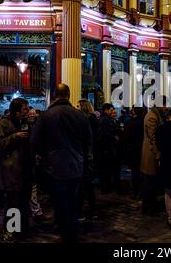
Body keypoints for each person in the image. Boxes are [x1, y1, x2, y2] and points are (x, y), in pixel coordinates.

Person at [31, 84, 93, 243]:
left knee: (59, 202)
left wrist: (43, 155)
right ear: (69, 95)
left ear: (54, 95)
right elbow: (88, 142)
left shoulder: (46, 116)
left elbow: (35, 142)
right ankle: (71, 230)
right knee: (73, 201)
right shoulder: (80, 116)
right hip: (76, 166)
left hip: (54, 167)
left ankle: (65, 231)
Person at [0, 98, 33, 242]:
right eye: (25, 109)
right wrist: (14, 137)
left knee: (23, 203)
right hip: (12, 171)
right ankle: (11, 231)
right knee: (12, 204)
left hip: (26, 171)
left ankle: (22, 232)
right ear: (16, 111)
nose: (28, 110)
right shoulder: (3, 123)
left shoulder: (26, 123)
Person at [140, 95, 167, 215]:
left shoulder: (155, 114)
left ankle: (150, 206)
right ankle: (149, 207)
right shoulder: (152, 116)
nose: (166, 108)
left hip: (152, 152)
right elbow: (153, 138)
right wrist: (158, 154)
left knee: (151, 182)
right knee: (149, 183)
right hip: (151, 154)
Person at [76, 100, 98, 220]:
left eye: (78, 106)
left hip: (86, 156)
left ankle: (86, 210)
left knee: (85, 186)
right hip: (87, 155)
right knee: (87, 186)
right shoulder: (91, 119)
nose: (76, 107)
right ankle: (91, 209)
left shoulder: (88, 120)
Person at [96, 103, 120, 194]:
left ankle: (106, 187)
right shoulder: (105, 120)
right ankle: (106, 188)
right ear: (106, 110)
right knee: (105, 170)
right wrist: (114, 137)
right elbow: (106, 135)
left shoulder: (104, 119)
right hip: (106, 150)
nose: (112, 111)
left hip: (104, 150)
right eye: (110, 110)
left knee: (105, 171)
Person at [124, 107, 145, 199]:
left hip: (133, 149)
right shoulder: (144, 122)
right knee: (143, 172)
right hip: (143, 148)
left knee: (135, 172)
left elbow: (127, 137)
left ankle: (136, 192)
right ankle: (143, 191)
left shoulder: (130, 123)